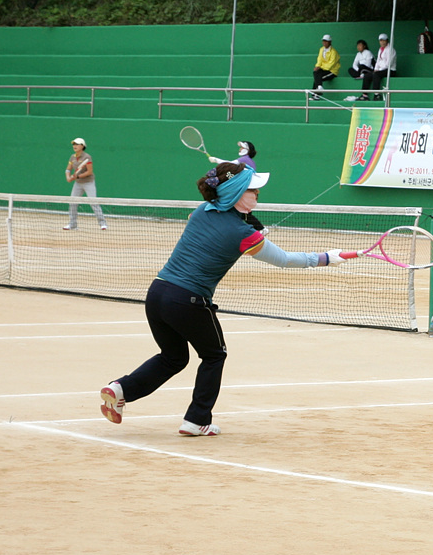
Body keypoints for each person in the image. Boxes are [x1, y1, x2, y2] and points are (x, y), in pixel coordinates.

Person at [99, 163, 350, 436]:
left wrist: (249, 229)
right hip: (189, 301)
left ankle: (121, 388)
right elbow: (284, 259)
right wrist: (326, 258)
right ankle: (196, 420)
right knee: (214, 355)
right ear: (238, 193)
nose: (257, 194)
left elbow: (218, 227)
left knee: (173, 357)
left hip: (157, 294)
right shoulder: (241, 234)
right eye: (252, 189)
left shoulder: (200, 211)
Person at [208, 141, 265, 233]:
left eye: (242, 148)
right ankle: (259, 229)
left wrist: (215, 159)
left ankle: (261, 229)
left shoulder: (245, 160)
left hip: (246, 191)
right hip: (247, 190)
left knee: (243, 214)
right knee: (242, 213)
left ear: (247, 150)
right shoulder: (248, 161)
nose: (239, 149)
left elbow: (229, 164)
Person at [63, 137, 107, 231]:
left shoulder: (87, 157)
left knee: (93, 203)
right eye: (74, 144)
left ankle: (102, 223)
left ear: (82, 146)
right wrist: (68, 177)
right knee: (72, 203)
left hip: (88, 183)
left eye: (77, 144)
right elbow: (68, 169)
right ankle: (73, 224)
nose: (74, 146)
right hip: (78, 184)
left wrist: (77, 176)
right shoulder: (72, 157)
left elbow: (89, 172)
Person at [349, 34, 396, 101]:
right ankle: (364, 95)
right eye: (381, 40)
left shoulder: (390, 50)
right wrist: (376, 69)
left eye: (384, 40)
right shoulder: (380, 49)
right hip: (380, 70)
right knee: (367, 75)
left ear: (387, 41)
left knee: (376, 74)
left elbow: (388, 64)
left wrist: (378, 70)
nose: (382, 42)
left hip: (390, 70)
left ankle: (377, 94)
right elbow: (378, 61)